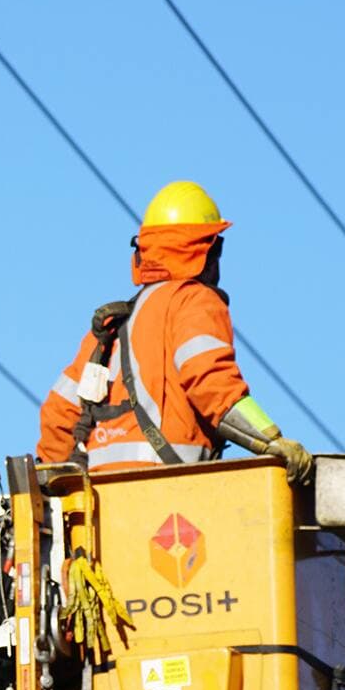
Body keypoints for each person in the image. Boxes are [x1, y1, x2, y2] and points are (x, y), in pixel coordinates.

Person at [35, 181, 313, 480]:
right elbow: (211, 383)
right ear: (207, 250)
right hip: (170, 493)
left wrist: (56, 490)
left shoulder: (109, 329)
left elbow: (58, 415)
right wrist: (270, 440)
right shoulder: (194, 301)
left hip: (100, 504)